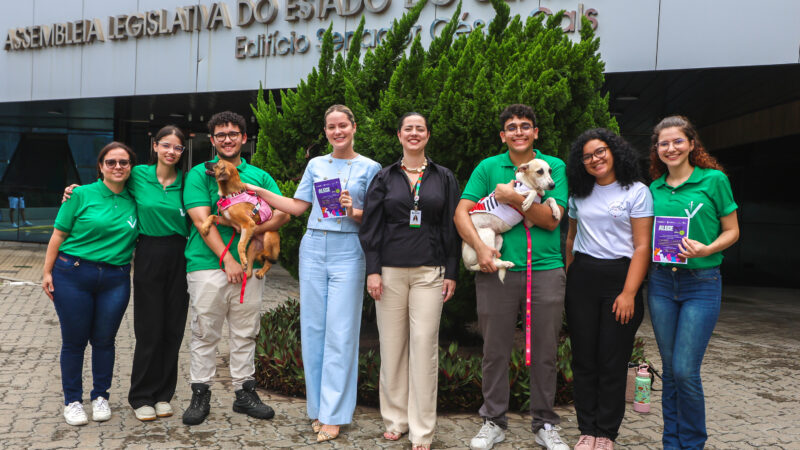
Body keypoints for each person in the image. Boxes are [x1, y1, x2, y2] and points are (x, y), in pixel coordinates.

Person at [246, 104, 381, 442]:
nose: (337, 132)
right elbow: (297, 206)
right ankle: (319, 409)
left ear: (354, 127)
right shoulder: (316, 165)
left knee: (341, 331)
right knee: (314, 330)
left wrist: (355, 210)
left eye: (343, 125)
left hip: (348, 249)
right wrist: (261, 193)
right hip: (313, 246)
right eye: (331, 127)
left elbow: (377, 219)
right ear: (325, 132)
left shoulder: (371, 167)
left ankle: (335, 414)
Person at [454, 104, 569, 450]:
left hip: (546, 269)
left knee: (546, 352)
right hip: (496, 267)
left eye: (526, 126)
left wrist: (511, 198)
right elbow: (462, 213)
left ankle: (545, 424)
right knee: (494, 351)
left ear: (536, 133)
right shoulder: (489, 167)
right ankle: (493, 421)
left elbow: (552, 220)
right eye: (512, 127)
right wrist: (481, 248)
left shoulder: (555, 167)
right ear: (503, 135)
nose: (519, 131)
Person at [63, 126, 192, 422]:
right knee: (149, 326)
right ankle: (142, 395)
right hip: (148, 252)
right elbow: (108, 182)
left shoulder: (188, 181)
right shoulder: (138, 175)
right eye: (166, 145)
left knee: (173, 328)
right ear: (155, 146)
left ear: (183, 152)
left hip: (181, 254)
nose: (171, 151)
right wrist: (74, 191)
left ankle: (163, 394)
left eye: (178, 147)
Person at [359, 112, 460, 450]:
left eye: (420, 129)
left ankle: (422, 429)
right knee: (392, 348)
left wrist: (452, 271)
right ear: (399, 135)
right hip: (388, 273)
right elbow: (371, 227)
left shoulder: (444, 177)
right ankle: (396, 420)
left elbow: (451, 227)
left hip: (429, 274)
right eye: (408, 129)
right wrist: (373, 270)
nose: (414, 133)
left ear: (428, 135)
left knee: (423, 347)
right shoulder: (383, 177)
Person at [181, 111, 290, 425]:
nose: (226, 139)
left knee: (245, 332)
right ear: (212, 141)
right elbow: (202, 220)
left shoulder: (259, 176)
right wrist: (228, 259)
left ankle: (245, 393)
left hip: (250, 262)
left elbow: (283, 214)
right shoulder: (201, 174)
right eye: (220, 135)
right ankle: (200, 394)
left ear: (244, 138)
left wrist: (253, 233)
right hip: (207, 265)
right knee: (205, 332)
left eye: (233, 133)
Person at [647, 116, 739, 450]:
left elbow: (732, 230)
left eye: (677, 141)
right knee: (670, 371)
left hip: (701, 283)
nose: (670, 148)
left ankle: (693, 443)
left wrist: (708, 247)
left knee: (685, 370)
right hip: (660, 283)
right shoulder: (653, 189)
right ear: (656, 150)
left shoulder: (713, 180)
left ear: (691, 144)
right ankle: (672, 442)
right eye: (663, 143)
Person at [564, 129, 653, 450]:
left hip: (621, 278)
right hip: (584, 279)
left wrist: (629, 293)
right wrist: (570, 274)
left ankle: (606, 434)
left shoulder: (637, 191)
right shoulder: (579, 194)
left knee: (612, 361)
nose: (594, 159)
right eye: (587, 156)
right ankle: (587, 429)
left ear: (614, 151)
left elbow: (643, 246)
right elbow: (571, 239)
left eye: (600, 151)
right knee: (584, 360)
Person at [42, 142, 139, 426]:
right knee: (74, 342)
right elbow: (58, 235)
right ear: (100, 167)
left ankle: (101, 397)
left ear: (131, 167)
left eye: (123, 162)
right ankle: (72, 401)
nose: (118, 167)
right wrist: (46, 273)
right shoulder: (80, 194)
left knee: (105, 341)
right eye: (111, 162)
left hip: (116, 278)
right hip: (72, 274)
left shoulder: (136, 198)